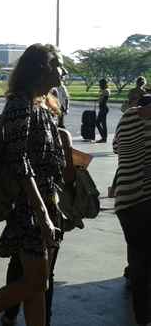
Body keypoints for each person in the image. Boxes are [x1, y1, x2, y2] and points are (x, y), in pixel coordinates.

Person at [0, 43, 67, 326]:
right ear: (41, 69)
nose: (63, 71)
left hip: (43, 201)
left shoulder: (41, 105)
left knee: (35, 282)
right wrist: (41, 214)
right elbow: (20, 162)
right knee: (36, 279)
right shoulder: (20, 106)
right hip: (28, 206)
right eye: (58, 65)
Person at [111, 94, 151, 326]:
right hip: (147, 198)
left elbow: (116, 146)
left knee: (138, 259)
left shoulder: (127, 117)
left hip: (126, 201)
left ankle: (142, 317)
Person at [96, 78, 110, 143]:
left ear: (104, 84)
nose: (99, 85)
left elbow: (104, 101)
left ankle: (104, 137)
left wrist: (100, 101)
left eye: (100, 84)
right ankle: (104, 137)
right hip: (102, 108)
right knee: (102, 123)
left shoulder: (106, 91)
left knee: (99, 123)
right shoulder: (102, 90)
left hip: (104, 108)